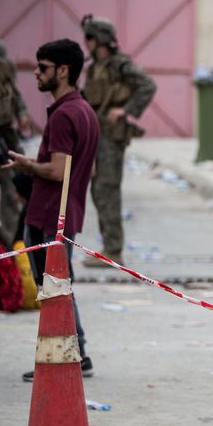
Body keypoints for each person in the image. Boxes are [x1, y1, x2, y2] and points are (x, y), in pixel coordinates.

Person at [5, 39, 99, 380]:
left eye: (42, 67)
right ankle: (78, 353)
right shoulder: (85, 111)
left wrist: (28, 167)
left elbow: (59, 171)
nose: (36, 73)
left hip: (48, 216)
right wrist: (32, 162)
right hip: (65, 214)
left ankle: (61, 358)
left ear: (63, 71)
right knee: (60, 286)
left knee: (54, 290)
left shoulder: (64, 114)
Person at [80, 15, 156, 267]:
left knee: (107, 190)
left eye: (90, 37)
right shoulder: (95, 67)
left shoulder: (120, 65)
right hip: (96, 133)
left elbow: (147, 85)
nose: (86, 42)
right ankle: (108, 247)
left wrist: (125, 111)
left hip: (111, 137)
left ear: (100, 39)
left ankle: (113, 250)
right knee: (97, 190)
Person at [0, 38, 32, 245]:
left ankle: (10, 241)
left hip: (5, 140)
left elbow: (15, 97)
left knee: (11, 190)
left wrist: (22, 114)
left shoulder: (5, 80)